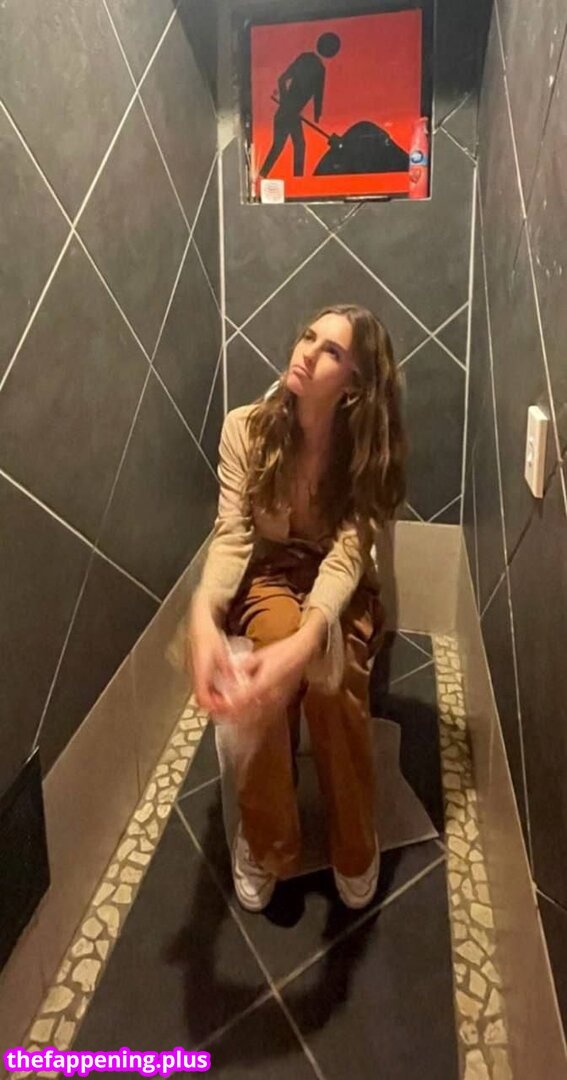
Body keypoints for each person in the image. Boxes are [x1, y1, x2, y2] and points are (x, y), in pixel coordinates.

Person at [187, 304, 407, 913]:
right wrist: (205, 610)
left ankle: (355, 843)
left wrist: (311, 638)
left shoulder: (367, 453)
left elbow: (349, 556)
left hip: (341, 584)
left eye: (331, 350)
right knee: (264, 674)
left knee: (331, 681)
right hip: (271, 572)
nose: (306, 351)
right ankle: (267, 839)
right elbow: (233, 536)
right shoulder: (245, 429)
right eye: (309, 336)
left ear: (355, 385)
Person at [260, 32, 342, 178]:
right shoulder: (306, 60)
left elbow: (318, 96)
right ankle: (265, 176)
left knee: (297, 146)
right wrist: (286, 104)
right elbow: (282, 80)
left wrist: (317, 115)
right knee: (283, 146)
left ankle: (294, 179)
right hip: (286, 114)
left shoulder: (319, 68)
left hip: (293, 114)